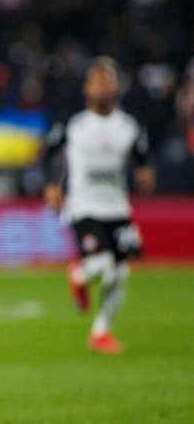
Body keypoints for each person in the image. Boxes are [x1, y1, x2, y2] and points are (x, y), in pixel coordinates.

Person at [43, 56, 154, 354]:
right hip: (83, 206)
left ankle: (101, 332)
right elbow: (48, 152)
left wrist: (145, 174)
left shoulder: (129, 125)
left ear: (117, 87)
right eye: (97, 82)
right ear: (87, 88)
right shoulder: (74, 123)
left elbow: (142, 160)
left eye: (108, 81)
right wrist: (53, 186)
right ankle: (78, 275)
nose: (103, 87)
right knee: (102, 264)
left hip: (118, 207)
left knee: (120, 272)